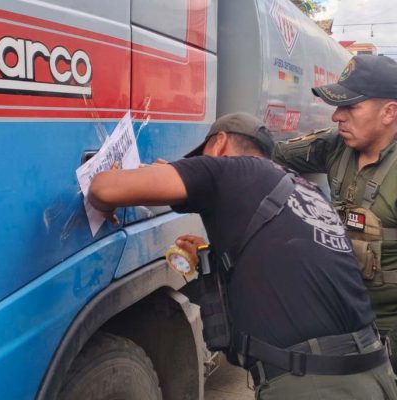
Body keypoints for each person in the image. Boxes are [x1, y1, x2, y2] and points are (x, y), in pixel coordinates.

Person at [89, 112, 396, 399]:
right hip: (373, 373)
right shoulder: (301, 188)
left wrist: (116, 186)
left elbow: (103, 189)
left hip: (315, 383)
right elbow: (286, 259)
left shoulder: (226, 168)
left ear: (219, 143)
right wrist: (214, 255)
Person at [272, 54, 397, 366]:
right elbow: (264, 152)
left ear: (389, 112)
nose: (336, 116)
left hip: (388, 337)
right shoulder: (335, 147)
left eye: (350, 107)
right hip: (342, 325)